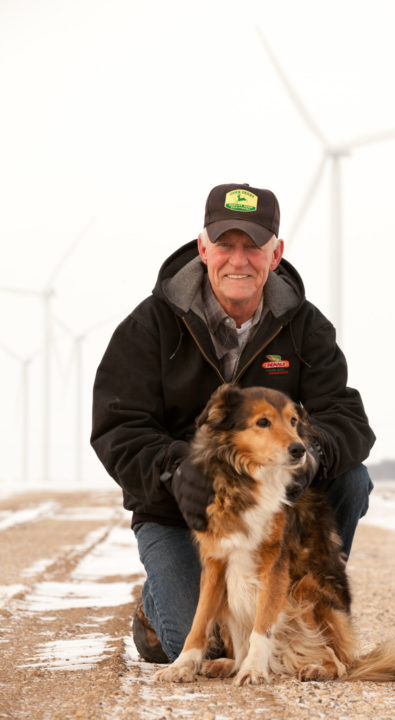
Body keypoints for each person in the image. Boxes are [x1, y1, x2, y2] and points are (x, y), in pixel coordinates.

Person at [90, 182, 376, 665]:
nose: (238, 260)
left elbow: (345, 416)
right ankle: (158, 607)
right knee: (195, 646)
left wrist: (313, 453)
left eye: (253, 247)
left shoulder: (307, 327)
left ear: (276, 253)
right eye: (225, 244)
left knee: (352, 479)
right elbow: (117, 427)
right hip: (180, 513)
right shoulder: (149, 325)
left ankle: (298, 602)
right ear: (203, 248)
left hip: (271, 510)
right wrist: (176, 472)